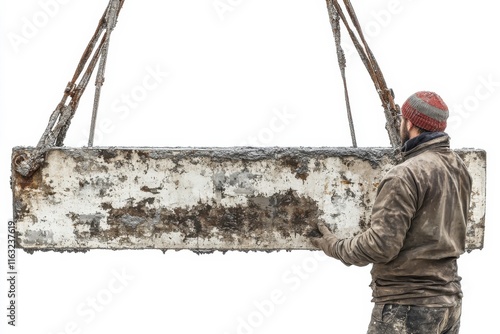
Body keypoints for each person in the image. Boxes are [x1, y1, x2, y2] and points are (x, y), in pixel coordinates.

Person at [310, 91, 472, 334]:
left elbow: (381, 246)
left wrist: (335, 246)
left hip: (407, 307)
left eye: (401, 119)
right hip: (449, 305)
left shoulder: (406, 174)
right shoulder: (459, 168)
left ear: (409, 123)